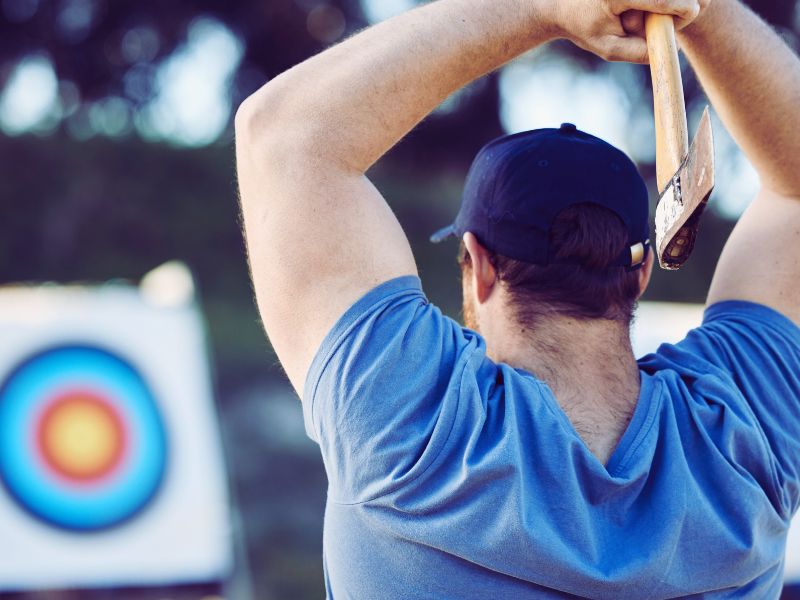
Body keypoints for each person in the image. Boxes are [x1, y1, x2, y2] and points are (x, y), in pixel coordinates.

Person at [234, 0, 800, 596]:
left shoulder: (412, 424)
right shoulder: (745, 428)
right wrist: (700, 8)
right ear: (639, 277)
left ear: (479, 267)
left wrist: (545, 8)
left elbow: (282, 135)